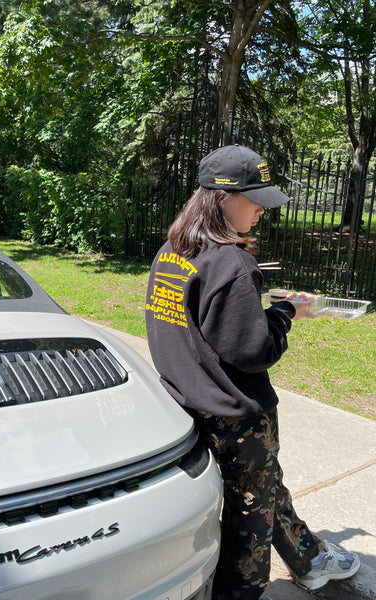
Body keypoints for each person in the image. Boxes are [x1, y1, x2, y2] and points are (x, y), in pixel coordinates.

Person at [145, 144, 360, 600]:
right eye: (254, 198)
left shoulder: (174, 249)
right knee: (249, 525)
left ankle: (309, 558)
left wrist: (263, 307)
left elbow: (207, 326)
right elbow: (252, 351)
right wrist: (285, 313)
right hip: (237, 419)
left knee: (262, 490)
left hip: (187, 401)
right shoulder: (232, 262)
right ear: (221, 197)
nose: (262, 209)